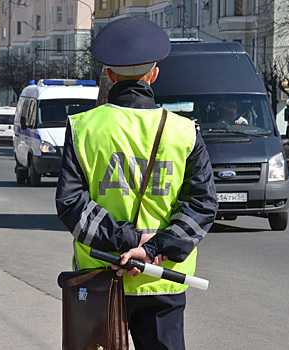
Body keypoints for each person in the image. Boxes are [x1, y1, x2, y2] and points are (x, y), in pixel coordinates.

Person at [55, 16, 218, 350]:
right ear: (154, 73)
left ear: (110, 74)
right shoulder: (184, 132)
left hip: (101, 278)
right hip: (163, 280)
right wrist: (153, 247)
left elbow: (71, 204)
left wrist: (124, 240)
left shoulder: (83, 128)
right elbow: (203, 205)